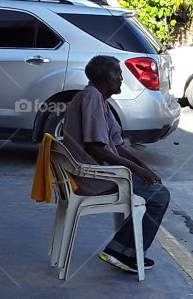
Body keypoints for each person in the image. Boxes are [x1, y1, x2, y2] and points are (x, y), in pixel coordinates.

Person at [63, 55, 170, 273]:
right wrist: (136, 170)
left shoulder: (100, 100)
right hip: (93, 177)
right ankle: (121, 251)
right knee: (159, 196)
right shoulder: (91, 97)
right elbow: (96, 148)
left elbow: (116, 145)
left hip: (103, 172)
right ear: (105, 78)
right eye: (117, 74)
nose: (121, 78)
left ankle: (122, 250)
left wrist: (142, 167)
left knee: (154, 189)